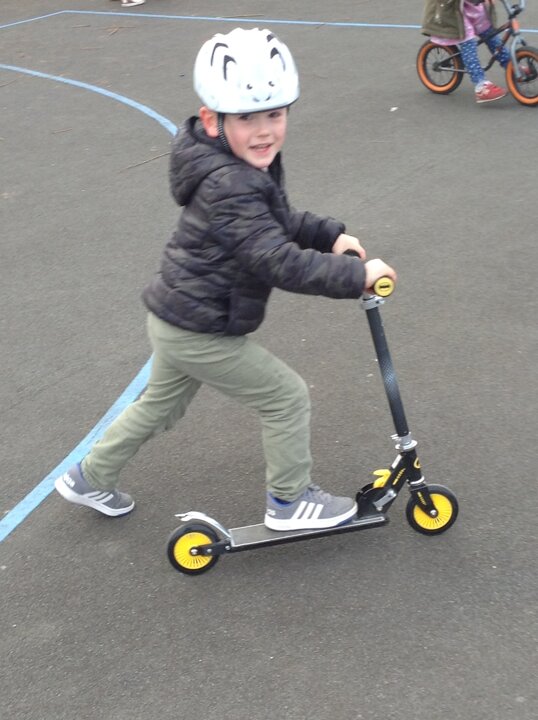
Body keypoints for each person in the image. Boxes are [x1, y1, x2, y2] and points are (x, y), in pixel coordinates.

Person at [54, 27, 396, 531]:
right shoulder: (230, 182)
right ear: (213, 120)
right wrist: (355, 276)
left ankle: (89, 477)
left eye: (275, 115)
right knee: (285, 397)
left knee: (160, 407)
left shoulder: (236, 167)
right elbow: (275, 258)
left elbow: (275, 219)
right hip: (201, 328)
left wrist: (328, 235)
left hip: (177, 315)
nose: (264, 131)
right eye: (247, 118)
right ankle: (289, 501)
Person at [422, 0, 511, 103]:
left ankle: (510, 66)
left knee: (488, 32)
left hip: (469, 6)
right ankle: (480, 86)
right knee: (468, 41)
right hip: (451, 10)